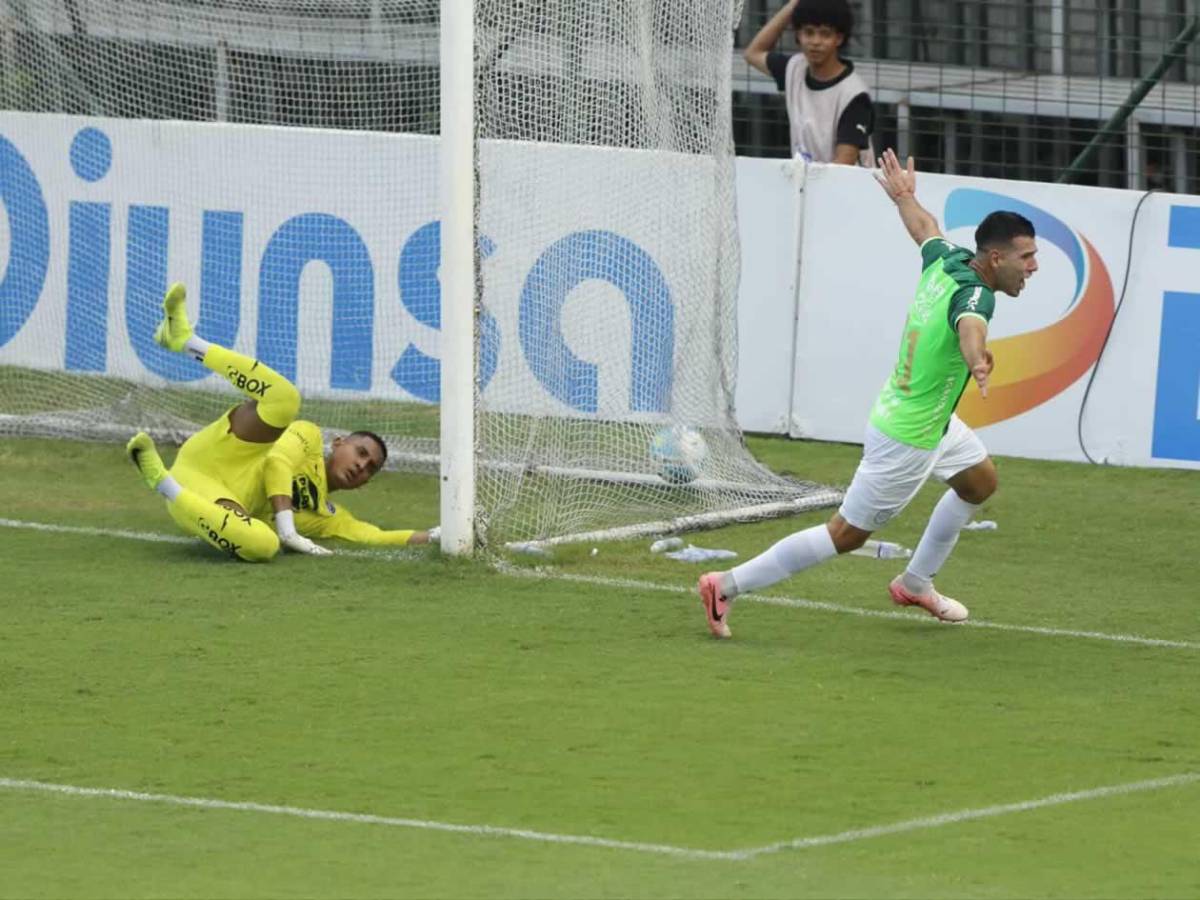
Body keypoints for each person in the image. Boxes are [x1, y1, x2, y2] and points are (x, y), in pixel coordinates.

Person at [699, 148, 1040, 638]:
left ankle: (916, 583)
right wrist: (977, 358)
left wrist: (904, 196)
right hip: (909, 436)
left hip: (931, 419)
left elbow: (925, 227)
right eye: (1026, 257)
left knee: (979, 483)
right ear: (995, 257)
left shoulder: (949, 260)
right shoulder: (976, 295)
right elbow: (970, 328)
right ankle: (725, 585)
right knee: (845, 534)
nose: (1032, 267)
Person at [126, 283, 437, 561]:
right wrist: (287, 528)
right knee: (285, 400)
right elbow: (277, 460)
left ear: (364, 484)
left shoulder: (326, 517)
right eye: (362, 453)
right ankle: (187, 341)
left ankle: (161, 482)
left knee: (263, 546)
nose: (362, 466)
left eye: (370, 469)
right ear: (339, 442)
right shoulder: (310, 437)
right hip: (219, 452)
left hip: (203, 491)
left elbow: (376, 536)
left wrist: (438, 536)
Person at [744, 0, 875, 166]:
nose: (815, 41)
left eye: (825, 34)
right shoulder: (794, 68)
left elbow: (843, 164)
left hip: (849, 188)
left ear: (839, 38)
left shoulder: (854, 95)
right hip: (806, 185)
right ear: (798, 35)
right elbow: (752, 53)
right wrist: (794, 4)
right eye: (808, 32)